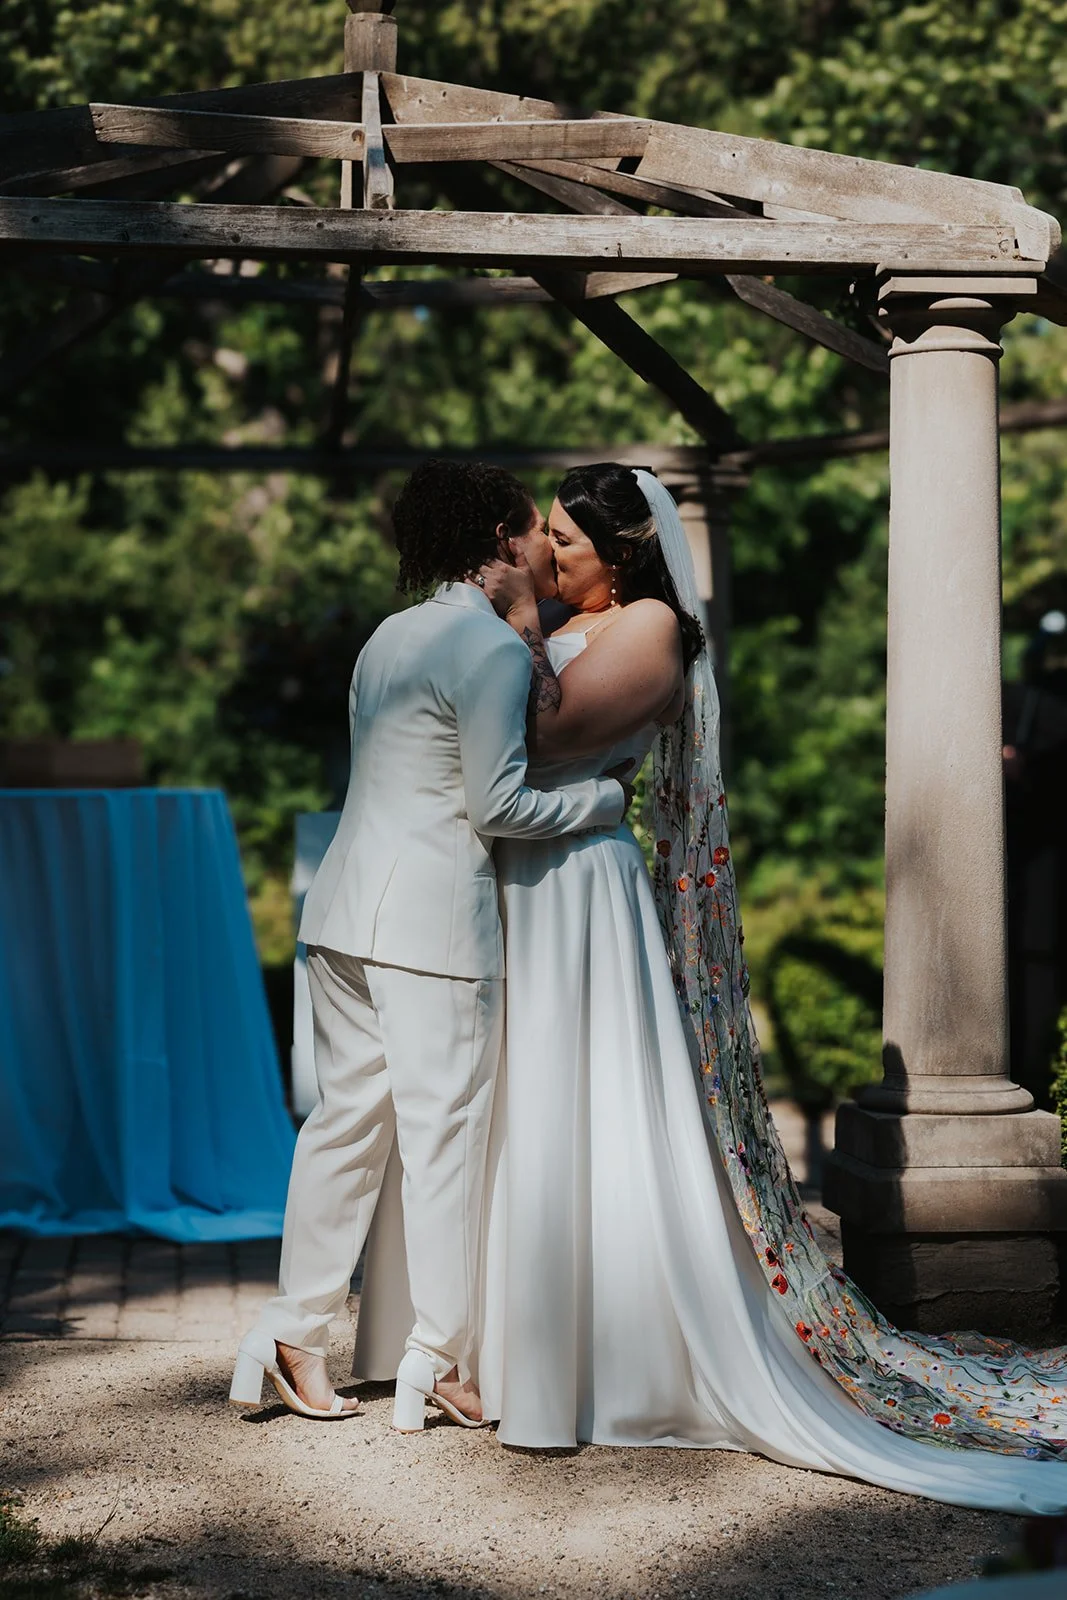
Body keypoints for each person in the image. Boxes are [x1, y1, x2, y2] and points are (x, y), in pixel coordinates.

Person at [471, 462, 1067, 1514]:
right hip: (523, 880)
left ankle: (620, 1354)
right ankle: (517, 1337)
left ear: (622, 553)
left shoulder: (648, 625)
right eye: (545, 536)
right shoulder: (573, 610)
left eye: (563, 538)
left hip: (582, 889)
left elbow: (552, 735)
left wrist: (515, 622)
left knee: (591, 1109)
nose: (545, 553)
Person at [229, 460, 628, 1425]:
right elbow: (499, 804)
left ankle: (293, 1332)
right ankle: (437, 1362)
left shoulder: (387, 637)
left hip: (340, 915)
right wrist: (604, 798)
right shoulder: (487, 650)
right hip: (433, 927)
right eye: (535, 529)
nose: (546, 545)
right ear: (499, 540)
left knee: (342, 1130)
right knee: (443, 1141)